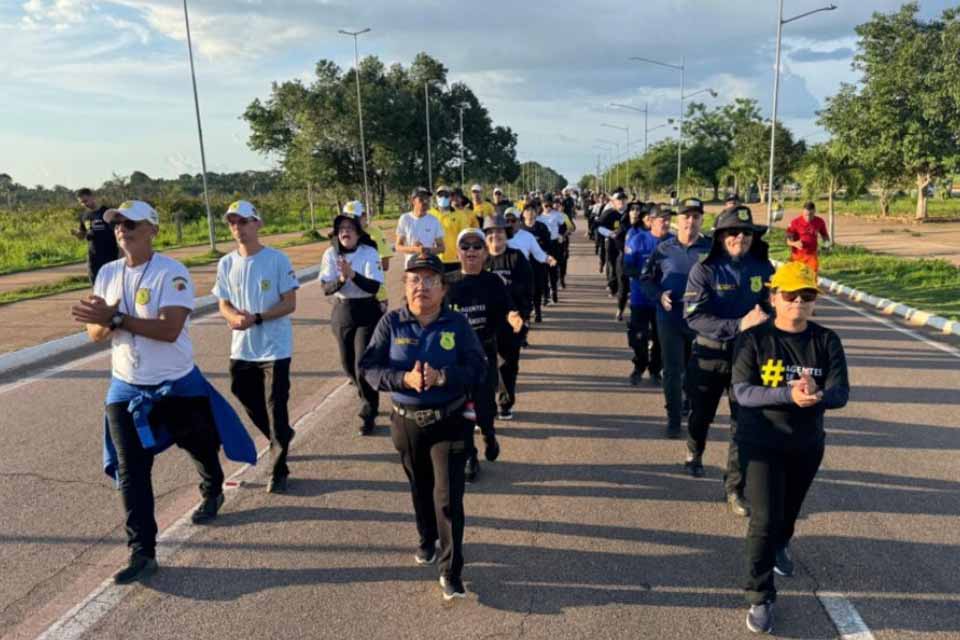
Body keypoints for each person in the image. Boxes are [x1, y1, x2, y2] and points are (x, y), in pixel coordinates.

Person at [70, 200, 256, 585]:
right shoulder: (107, 273)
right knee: (132, 471)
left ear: (152, 229)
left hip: (176, 385)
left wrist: (116, 318)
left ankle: (212, 487)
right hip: (125, 388)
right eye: (118, 223)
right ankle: (142, 551)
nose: (122, 229)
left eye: (131, 223)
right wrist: (105, 321)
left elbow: (170, 329)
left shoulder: (172, 272)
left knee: (199, 446)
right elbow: (95, 334)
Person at [359, 252, 486, 601]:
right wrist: (404, 379)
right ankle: (426, 538)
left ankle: (450, 570)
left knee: (448, 498)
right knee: (420, 488)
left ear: (443, 288)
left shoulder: (457, 324)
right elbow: (369, 368)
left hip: (450, 421)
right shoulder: (391, 323)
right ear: (405, 286)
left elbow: (478, 367)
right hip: (407, 422)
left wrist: (443, 376)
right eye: (415, 279)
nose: (422, 286)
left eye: (430, 280)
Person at [731, 261, 849, 634]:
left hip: (806, 444)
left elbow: (841, 392)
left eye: (807, 295)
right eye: (790, 294)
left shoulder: (826, 340)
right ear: (774, 297)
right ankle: (760, 594)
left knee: (788, 513)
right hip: (761, 443)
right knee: (764, 520)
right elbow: (743, 392)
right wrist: (788, 394)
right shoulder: (753, 339)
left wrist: (818, 394)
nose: (798, 301)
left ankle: (782, 541)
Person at [683, 205, 775, 517]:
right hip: (710, 355)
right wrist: (738, 325)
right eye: (733, 232)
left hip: (747, 358)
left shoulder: (763, 268)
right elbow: (693, 317)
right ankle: (694, 450)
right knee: (701, 415)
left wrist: (770, 318)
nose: (740, 238)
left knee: (744, 424)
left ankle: (734, 487)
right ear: (721, 236)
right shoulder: (705, 269)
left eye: (746, 233)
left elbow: (770, 306)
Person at [213, 200, 299, 493]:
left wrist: (258, 317)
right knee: (243, 394)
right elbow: (223, 303)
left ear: (257, 223)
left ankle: (278, 470)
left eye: (243, 221)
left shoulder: (277, 259)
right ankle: (280, 435)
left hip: (275, 348)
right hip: (243, 348)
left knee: (276, 407)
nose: (237, 227)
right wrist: (232, 317)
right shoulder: (226, 263)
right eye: (232, 222)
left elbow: (289, 303)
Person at [446, 228, 522, 482]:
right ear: (458, 252)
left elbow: (508, 307)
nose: (471, 251)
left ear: (485, 253)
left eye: (477, 246)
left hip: (484, 354)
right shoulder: (447, 282)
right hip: (456, 358)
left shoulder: (493, 281)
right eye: (465, 246)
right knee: (461, 410)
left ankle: (489, 434)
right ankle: (470, 456)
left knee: (484, 409)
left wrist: (513, 317)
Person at [640, 198, 712, 438]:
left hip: (701, 320)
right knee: (672, 370)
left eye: (696, 217)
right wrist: (659, 295)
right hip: (670, 318)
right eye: (686, 216)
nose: (690, 221)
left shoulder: (711, 249)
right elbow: (646, 279)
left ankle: (688, 405)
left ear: (702, 220)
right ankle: (673, 418)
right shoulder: (663, 249)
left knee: (696, 370)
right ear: (677, 220)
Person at [321, 206, 385, 435]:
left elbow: (373, 286)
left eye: (349, 228)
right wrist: (341, 279)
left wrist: (353, 275)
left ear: (358, 232)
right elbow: (326, 288)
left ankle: (368, 410)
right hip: (343, 311)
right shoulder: (330, 255)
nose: (345, 232)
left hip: (367, 310)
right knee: (347, 364)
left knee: (361, 364)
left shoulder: (369, 252)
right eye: (341, 229)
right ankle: (365, 394)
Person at [484, 214, 533, 420]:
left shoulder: (516, 258)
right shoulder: (479, 257)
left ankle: (505, 403)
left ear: (506, 234)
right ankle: (484, 408)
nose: (495, 235)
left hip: (511, 321)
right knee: (483, 366)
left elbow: (528, 289)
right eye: (491, 232)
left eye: (500, 231)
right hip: (483, 321)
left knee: (508, 364)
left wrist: (524, 316)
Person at [623, 205, 671, 385]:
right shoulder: (638, 240)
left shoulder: (674, 242)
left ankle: (655, 370)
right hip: (641, 299)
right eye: (662, 219)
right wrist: (647, 275)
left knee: (661, 339)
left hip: (664, 301)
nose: (666, 223)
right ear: (650, 221)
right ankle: (639, 365)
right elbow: (627, 268)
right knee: (638, 338)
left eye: (668, 219)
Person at [352, 200, 394, 312]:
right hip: (351, 297)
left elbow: (385, 265)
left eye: (356, 218)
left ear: (364, 216)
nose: (353, 222)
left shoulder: (375, 234)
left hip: (376, 295)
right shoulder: (344, 236)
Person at [73, 188, 119, 284]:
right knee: (95, 282)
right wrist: (77, 234)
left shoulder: (107, 212)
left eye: (85, 201)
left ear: (92, 197)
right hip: (93, 256)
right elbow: (83, 235)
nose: (84, 204)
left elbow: (119, 231)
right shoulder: (85, 216)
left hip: (110, 254)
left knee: (112, 282)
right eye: (81, 202)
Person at [396, 187, 444, 267]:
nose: (425, 202)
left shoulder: (434, 220)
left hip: (429, 265)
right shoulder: (405, 218)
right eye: (421, 199)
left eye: (427, 199)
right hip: (411, 265)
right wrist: (414, 249)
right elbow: (398, 246)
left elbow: (442, 248)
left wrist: (427, 250)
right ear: (413, 201)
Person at [431, 185, 475, 273]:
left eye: (446, 195)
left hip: (455, 259)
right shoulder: (429, 214)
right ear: (436, 197)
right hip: (434, 259)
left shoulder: (460, 215)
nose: (443, 198)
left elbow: (464, 236)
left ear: (450, 197)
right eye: (440, 195)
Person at [521, 201, 552, 322]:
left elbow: (548, 244)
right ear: (523, 213)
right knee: (525, 289)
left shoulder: (541, 227)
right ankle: (527, 313)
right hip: (523, 264)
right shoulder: (519, 228)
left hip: (538, 263)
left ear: (536, 212)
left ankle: (538, 311)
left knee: (538, 287)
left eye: (532, 210)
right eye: (527, 210)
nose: (530, 213)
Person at [785, 201, 830, 274]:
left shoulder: (820, 221)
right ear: (803, 212)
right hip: (797, 256)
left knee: (812, 276)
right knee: (796, 277)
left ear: (814, 211)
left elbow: (825, 235)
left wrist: (827, 246)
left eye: (811, 215)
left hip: (811, 256)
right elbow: (787, 240)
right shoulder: (795, 222)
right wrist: (794, 243)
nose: (808, 217)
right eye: (806, 215)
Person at [537, 195, 566, 304]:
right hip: (543, 246)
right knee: (544, 271)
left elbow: (563, 227)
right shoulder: (539, 218)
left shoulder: (557, 215)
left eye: (550, 205)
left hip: (554, 244)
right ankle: (546, 294)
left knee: (553, 269)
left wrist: (561, 235)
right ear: (542, 205)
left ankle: (554, 290)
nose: (548, 207)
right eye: (546, 205)